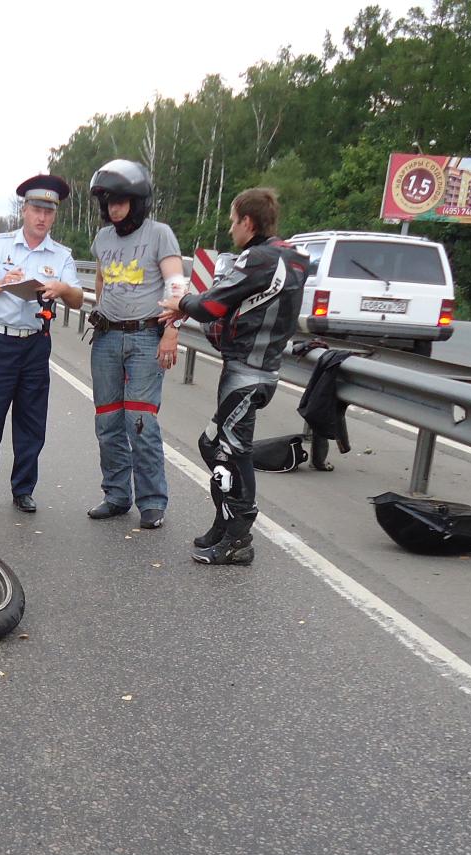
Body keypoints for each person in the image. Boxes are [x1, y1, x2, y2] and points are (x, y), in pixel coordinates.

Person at [159, 187, 308, 565]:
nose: (230, 229)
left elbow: (210, 304)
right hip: (254, 371)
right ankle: (225, 526)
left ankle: (238, 537)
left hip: (248, 373)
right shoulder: (288, 257)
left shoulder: (260, 257)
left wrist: (181, 304)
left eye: (232, 221)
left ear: (248, 221)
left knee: (226, 450)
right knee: (220, 447)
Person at [0, 174, 84, 512]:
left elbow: (78, 299)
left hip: (34, 344)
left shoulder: (60, 256)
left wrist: (61, 288)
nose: (42, 217)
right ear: (24, 211)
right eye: (36, 209)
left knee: (31, 422)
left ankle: (23, 489)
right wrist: (1, 283)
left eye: (49, 211)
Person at [85, 159, 184, 528]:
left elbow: (176, 284)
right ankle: (116, 495)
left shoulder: (160, 234)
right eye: (108, 201)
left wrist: (172, 332)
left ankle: (153, 501)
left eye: (121, 201)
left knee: (140, 421)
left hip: (146, 337)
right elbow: (100, 281)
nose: (114, 208)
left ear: (138, 201)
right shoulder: (103, 238)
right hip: (107, 337)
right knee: (108, 421)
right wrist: (99, 312)